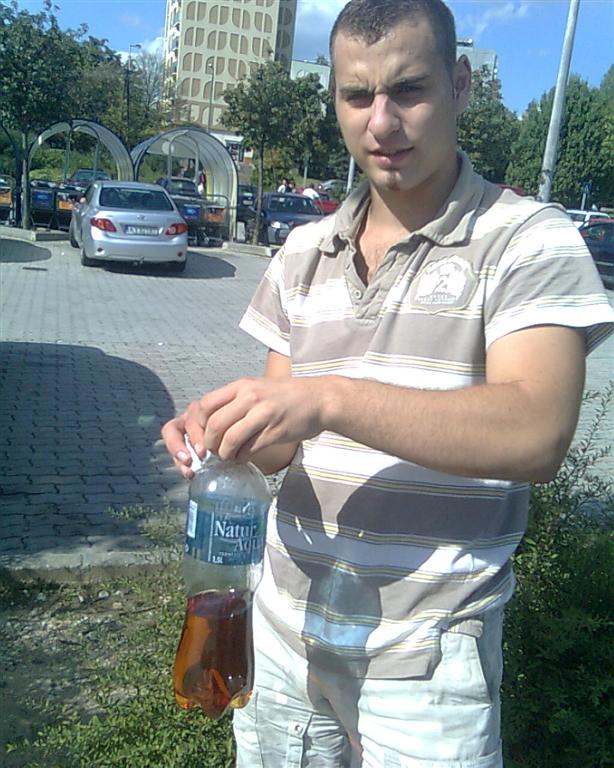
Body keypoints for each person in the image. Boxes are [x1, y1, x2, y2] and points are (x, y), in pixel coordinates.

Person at [162, 1, 614, 765]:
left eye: (408, 90)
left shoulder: (528, 240)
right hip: (284, 638)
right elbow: (279, 450)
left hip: (426, 662)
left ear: (460, 84)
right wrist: (226, 431)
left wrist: (329, 399)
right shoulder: (304, 249)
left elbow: (538, 432)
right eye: (356, 95)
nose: (381, 122)